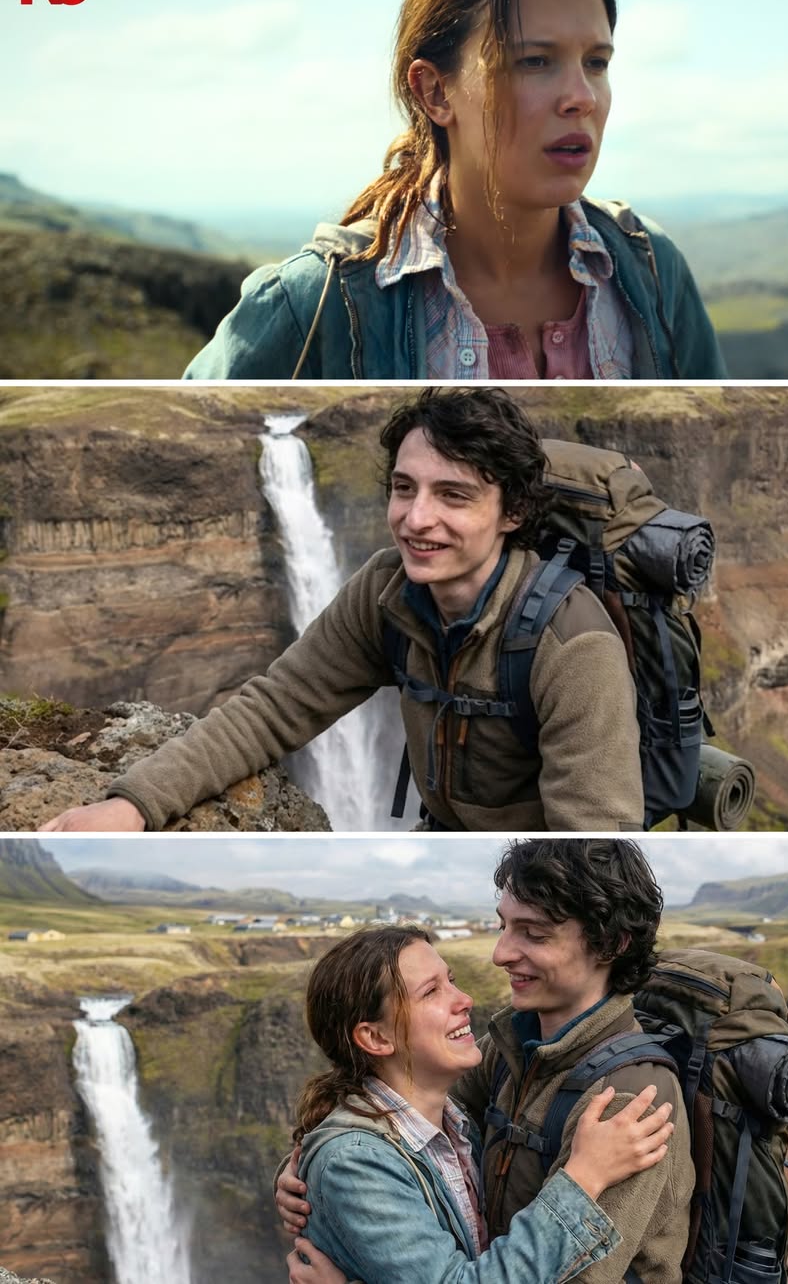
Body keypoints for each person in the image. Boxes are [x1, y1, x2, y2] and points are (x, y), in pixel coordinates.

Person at [38, 387, 644, 832]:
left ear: (513, 513)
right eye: (404, 488)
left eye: (453, 495)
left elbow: (594, 839)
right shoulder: (386, 589)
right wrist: (134, 804)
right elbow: (275, 708)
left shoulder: (573, 645)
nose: (416, 519)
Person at [182, 0, 723, 381]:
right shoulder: (319, 300)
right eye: (535, 61)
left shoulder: (650, 271)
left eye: (596, 63)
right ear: (435, 92)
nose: (580, 96)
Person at [279, 839, 695, 1284]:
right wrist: (311, 1174)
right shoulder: (509, 1050)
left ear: (611, 943)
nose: (500, 954)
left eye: (533, 933)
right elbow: (396, 1123)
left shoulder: (631, 1101)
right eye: (503, 926)